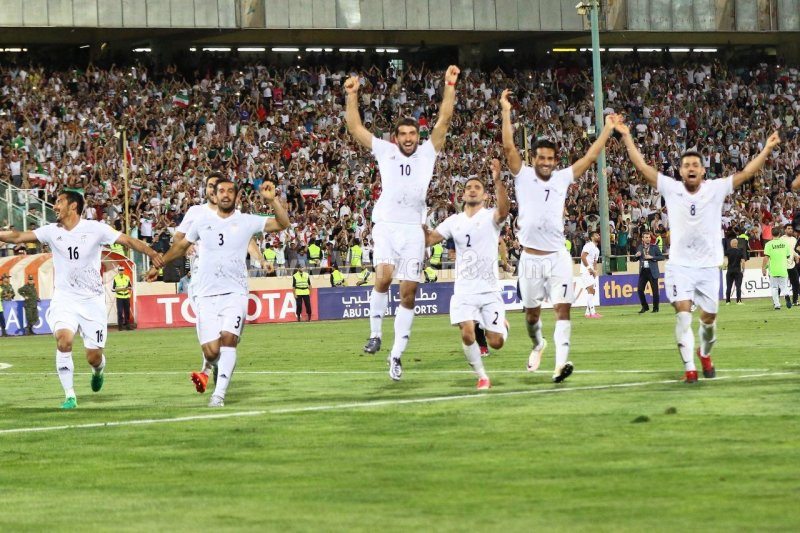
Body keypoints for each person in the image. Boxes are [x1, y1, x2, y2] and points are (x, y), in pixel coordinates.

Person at [616, 117, 780, 382]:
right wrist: (625, 135)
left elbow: (747, 173)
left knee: (709, 321)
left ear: (703, 171)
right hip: (679, 266)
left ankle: (705, 353)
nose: (691, 168)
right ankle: (690, 367)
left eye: (695, 165)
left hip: (707, 267)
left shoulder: (715, 189)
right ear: (680, 171)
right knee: (682, 315)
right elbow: (641, 166)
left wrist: (767, 148)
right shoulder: (671, 188)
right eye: (686, 165)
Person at [345, 65, 460, 381]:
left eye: (413, 134)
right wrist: (352, 94)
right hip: (385, 223)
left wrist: (449, 84)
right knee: (383, 278)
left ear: (417, 136)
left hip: (413, 229)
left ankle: (395, 356)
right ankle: (374, 334)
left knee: (408, 293)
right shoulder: (385, 151)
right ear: (395, 138)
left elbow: (445, 119)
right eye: (403, 134)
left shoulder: (427, 153)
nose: (409, 138)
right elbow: (355, 127)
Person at [0, 190, 163, 409]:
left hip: (91, 301)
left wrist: (151, 253)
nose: (55, 207)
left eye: (59, 202)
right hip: (65, 298)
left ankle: (98, 370)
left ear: (73, 206)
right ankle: (70, 396)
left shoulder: (95, 229)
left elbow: (126, 240)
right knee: (64, 341)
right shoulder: (51, 231)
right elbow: (18, 237)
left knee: (93, 357)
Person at [501, 88, 617, 382]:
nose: (546, 162)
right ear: (535, 158)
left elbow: (591, 156)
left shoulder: (563, 177)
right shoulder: (522, 174)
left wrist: (606, 129)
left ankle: (560, 365)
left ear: (555, 160)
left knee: (563, 310)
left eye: (550, 158)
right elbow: (509, 148)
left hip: (558, 257)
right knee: (531, 316)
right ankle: (539, 344)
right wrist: (505, 111)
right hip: (529, 258)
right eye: (541, 157)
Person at [147, 179, 289, 407]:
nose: (225, 195)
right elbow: (181, 247)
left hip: (235, 293)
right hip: (206, 294)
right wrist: (158, 264)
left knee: (228, 340)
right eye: (221, 191)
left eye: (230, 191)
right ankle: (209, 367)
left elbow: (283, 223)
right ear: (214, 194)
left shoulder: (246, 221)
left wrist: (272, 201)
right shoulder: (201, 221)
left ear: (236, 196)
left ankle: (219, 395)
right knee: (212, 352)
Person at [423, 159, 510, 390]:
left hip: (489, 289)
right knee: (468, 334)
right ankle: (482, 376)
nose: (472, 190)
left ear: (484, 196)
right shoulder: (454, 221)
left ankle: (503, 327)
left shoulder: (491, 217)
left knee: (496, 342)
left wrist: (497, 179)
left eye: (477, 188)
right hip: (464, 290)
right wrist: (421, 226)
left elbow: (505, 210)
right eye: (468, 188)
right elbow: (430, 239)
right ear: (462, 196)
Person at [173, 172, 263, 393]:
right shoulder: (196, 213)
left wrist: (261, 259)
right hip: (201, 282)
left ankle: (209, 372)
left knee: (228, 337)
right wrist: (188, 246)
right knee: (210, 336)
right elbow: (178, 238)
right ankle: (210, 367)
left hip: (232, 282)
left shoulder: (236, 216)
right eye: (211, 186)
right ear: (207, 190)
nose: (214, 190)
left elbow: (249, 239)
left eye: (218, 186)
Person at [634, 231, 664, 313]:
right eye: (646, 237)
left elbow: (662, 257)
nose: (648, 239)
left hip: (652, 271)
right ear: (642, 239)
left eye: (649, 237)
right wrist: (636, 256)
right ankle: (645, 307)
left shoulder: (654, 247)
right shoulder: (640, 247)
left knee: (655, 291)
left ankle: (655, 308)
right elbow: (636, 258)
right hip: (643, 270)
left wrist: (652, 257)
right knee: (640, 289)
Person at [762, 226, 792, 310]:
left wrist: (763, 268)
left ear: (771, 234)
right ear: (779, 234)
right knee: (784, 286)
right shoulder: (785, 244)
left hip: (773, 269)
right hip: (783, 268)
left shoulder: (768, 244)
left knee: (774, 288)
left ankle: (777, 305)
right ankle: (786, 295)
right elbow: (788, 256)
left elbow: (766, 258)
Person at [580, 230, 602, 318]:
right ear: (592, 237)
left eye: (598, 235)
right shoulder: (588, 245)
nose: (598, 236)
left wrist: (595, 271)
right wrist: (589, 269)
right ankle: (592, 313)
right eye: (596, 235)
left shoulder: (597, 249)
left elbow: (595, 262)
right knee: (590, 290)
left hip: (592, 272)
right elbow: (583, 257)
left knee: (593, 291)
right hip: (585, 271)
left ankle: (587, 312)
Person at [781, 224, 799, 306]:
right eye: (788, 228)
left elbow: (793, 250)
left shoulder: (794, 239)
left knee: (796, 283)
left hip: (792, 265)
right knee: (780, 284)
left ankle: (795, 301)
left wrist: (797, 256)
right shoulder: (781, 239)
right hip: (783, 265)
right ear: (785, 230)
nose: (790, 230)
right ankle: (776, 302)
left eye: (791, 228)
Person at [723, 237, 746, 305]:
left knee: (729, 286)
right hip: (738, 271)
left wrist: (724, 267)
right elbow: (743, 261)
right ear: (736, 244)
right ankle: (738, 301)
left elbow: (724, 261)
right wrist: (743, 269)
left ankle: (728, 301)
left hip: (730, 271)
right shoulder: (740, 251)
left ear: (731, 244)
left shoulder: (727, 252)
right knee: (738, 286)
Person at [112, 266, 133, 331]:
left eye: (122, 270)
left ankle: (127, 326)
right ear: (118, 271)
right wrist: (121, 289)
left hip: (126, 296)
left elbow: (130, 287)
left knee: (127, 312)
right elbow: (113, 289)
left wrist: (127, 288)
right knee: (120, 312)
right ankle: (120, 326)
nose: (121, 271)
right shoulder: (115, 278)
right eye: (120, 270)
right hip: (119, 297)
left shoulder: (127, 277)